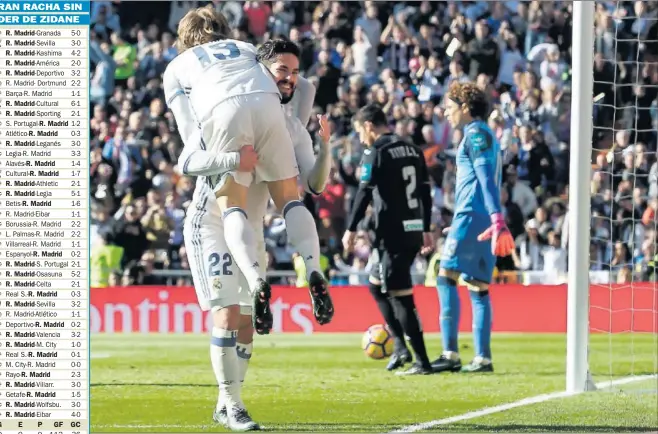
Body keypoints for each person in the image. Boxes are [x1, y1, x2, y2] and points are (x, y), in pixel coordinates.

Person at [178, 39, 334, 431]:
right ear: (261, 69)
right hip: (212, 224)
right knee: (228, 314)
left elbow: (316, 184)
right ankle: (234, 405)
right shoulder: (218, 113)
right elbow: (188, 160)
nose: (290, 80)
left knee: (246, 322)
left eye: (295, 73)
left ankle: (226, 401)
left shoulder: (287, 124)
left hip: (250, 232)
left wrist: (326, 145)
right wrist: (232, 159)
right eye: (283, 71)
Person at [163, 7, 333, 345]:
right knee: (289, 199)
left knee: (232, 206)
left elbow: (188, 137)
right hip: (268, 105)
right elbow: (303, 84)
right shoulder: (244, 48)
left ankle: (256, 280)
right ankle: (313, 267)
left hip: (221, 111)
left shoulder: (176, 67)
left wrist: (228, 158)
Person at [342, 104, 435, 376]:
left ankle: (422, 361)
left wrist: (350, 228)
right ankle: (401, 348)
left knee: (399, 295)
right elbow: (426, 193)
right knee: (376, 285)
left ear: (369, 126)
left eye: (360, 131)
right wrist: (426, 227)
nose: (361, 138)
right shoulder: (413, 149)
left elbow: (363, 193)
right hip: (413, 228)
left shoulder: (376, 152)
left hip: (391, 232)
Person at [433, 81, 515, 374]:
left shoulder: (475, 134)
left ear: (465, 108)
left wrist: (495, 217)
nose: (446, 112)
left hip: (472, 215)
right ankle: (482, 357)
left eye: (450, 107)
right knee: (478, 287)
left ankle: (450, 353)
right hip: (480, 218)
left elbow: (484, 176)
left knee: (446, 276)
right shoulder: (487, 134)